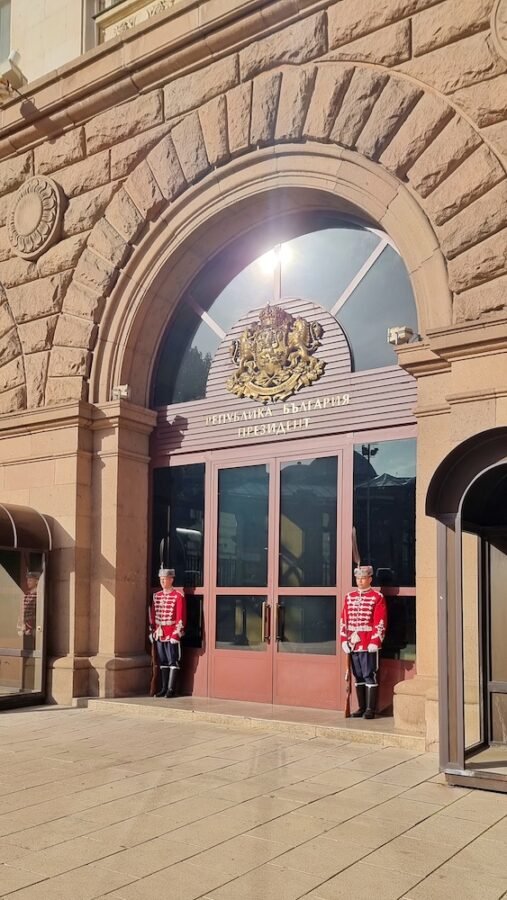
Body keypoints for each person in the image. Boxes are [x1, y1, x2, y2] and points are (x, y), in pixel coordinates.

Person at [340, 565, 387, 719]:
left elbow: (380, 620)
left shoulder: (377, 597)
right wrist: (343, 640)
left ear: (370, 579)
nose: (360, 581)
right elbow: (344, 620)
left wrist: (375, 640)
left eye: (363, 578)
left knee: (368, 674)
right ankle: (361, 708)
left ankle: (370, 709)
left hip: (368, 642)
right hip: (352, 643)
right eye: (358, 578)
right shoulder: (349, 597)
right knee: (357, 675)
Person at [149, 568, 186, 698]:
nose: (162, 582)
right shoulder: (157, 596)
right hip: (160, 632)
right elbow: (153, 616)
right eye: (161, 579)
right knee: (163, 660)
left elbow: (181, 616)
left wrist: (177, 633)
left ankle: (171, 689)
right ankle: (163, 688)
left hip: (172, 633)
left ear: (171, 580)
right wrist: (153, 630)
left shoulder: (178, 596)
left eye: (165, 579)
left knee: (173, 660)